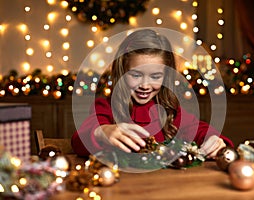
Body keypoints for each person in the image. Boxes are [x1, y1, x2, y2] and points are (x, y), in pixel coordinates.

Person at [71, 28, 233, 160]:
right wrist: (102, 132)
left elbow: (199, 129)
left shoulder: (170, 111)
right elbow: (79, 139)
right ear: (122, 73)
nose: (145, 85)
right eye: (136, 75)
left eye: (155, 76)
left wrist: (214, 140)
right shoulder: (106, 107)